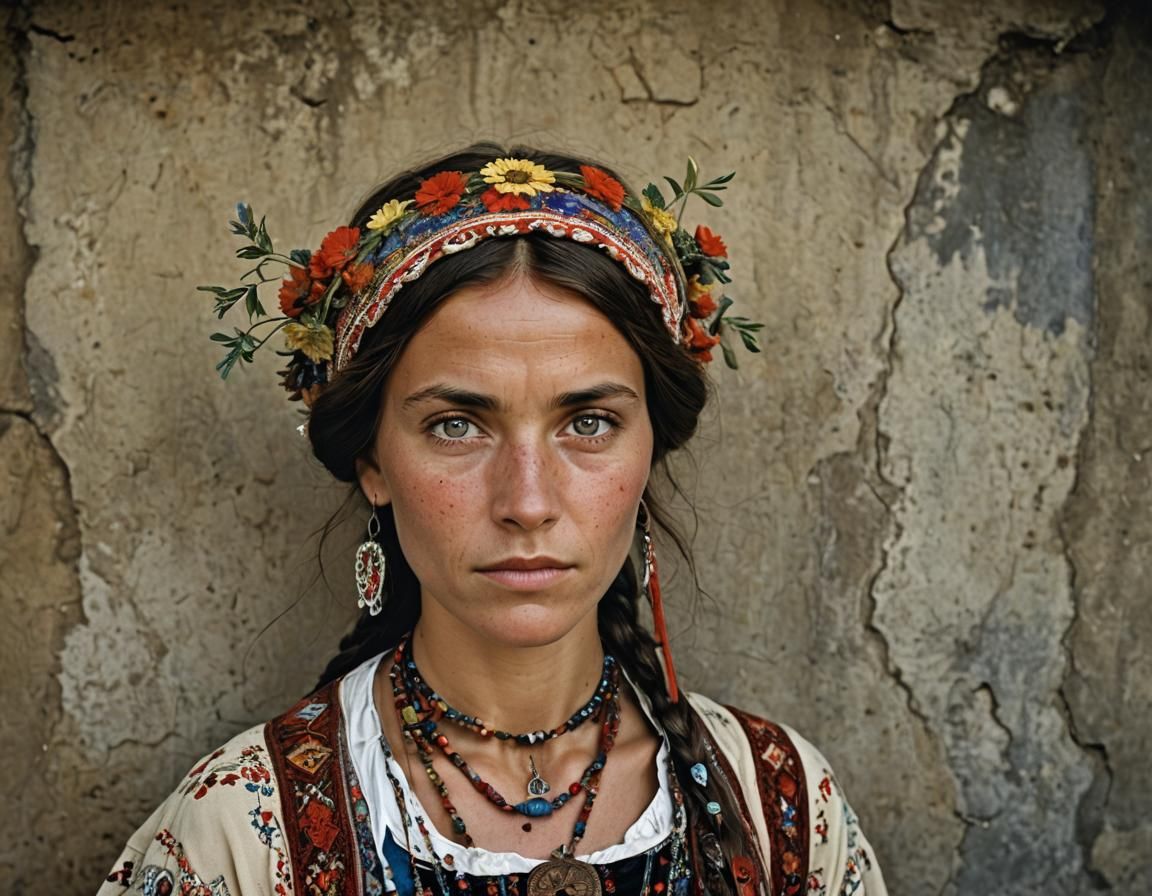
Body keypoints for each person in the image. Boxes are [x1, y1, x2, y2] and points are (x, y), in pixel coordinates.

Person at [99, 145, 887, 896]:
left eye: (588, 423)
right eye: (456, 425)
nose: (529, 502)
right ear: (372, 462)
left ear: (651, 449)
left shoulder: (782, 808)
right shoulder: (237, 830)